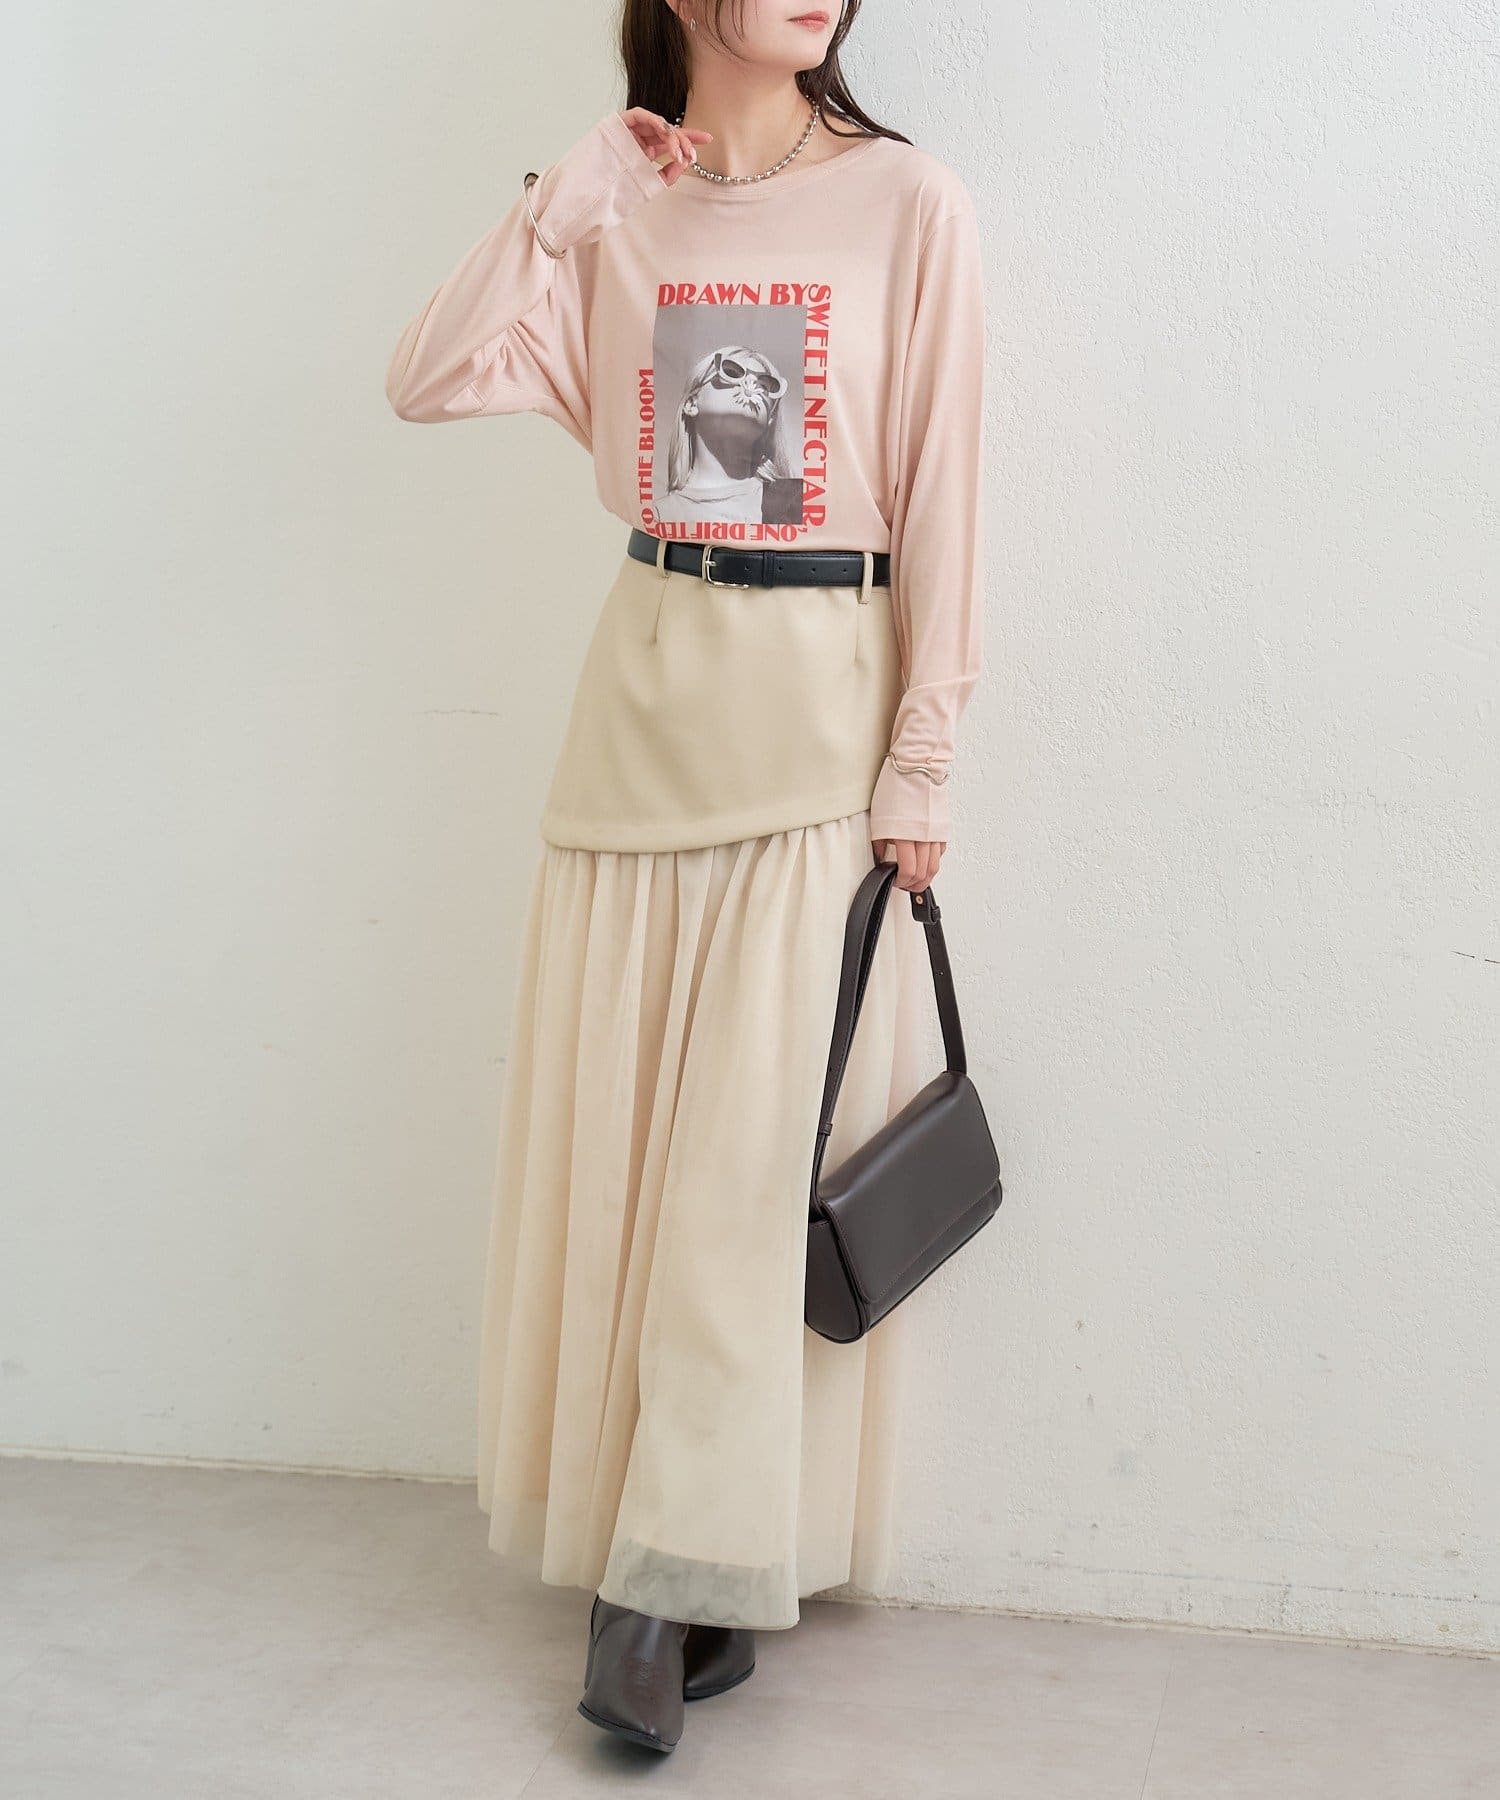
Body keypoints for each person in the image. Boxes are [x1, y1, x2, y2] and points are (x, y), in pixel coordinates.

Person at [383, 0, 986, 1756]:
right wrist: (573, 191)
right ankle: (673, 1560)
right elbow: (427, 376)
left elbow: (948, 490)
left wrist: (924, 754)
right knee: (624, 1175)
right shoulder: (613, 206)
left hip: (814, 738)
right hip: (637, 722)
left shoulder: (908, 202)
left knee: (738, 1186)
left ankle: (659, 1591)